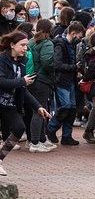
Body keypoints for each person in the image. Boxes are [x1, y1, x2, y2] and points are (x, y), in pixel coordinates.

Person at [0, 30, 52, 175]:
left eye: (26, 45)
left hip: (9, 104)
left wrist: (38, 107)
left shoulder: (22, 63)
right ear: (12, 45)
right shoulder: (2, 60)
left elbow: (23, 89)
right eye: (22, 45)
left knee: (19, 128)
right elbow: (1, 81)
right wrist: (21, 81)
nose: (25, 48)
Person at [46, 21, 85, 146]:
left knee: (72, 109)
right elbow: (57, 65)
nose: (79, 40)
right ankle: (51, 129)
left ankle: (66, 136)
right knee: (65, 107)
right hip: (62, 81)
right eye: (78, 37)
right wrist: (74, 67)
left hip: (69, 80)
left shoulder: (68, 44)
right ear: (73, 33)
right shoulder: (61, 45)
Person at [27, 19, 58, 153]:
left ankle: (39, 139)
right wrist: (53, 70)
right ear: (49, 31)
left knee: (37, 109)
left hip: (30, 79)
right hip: (42, 80)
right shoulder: (47, 43)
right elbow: (47, 63)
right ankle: (35, 142)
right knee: (39, 110)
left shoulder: (30, 42)